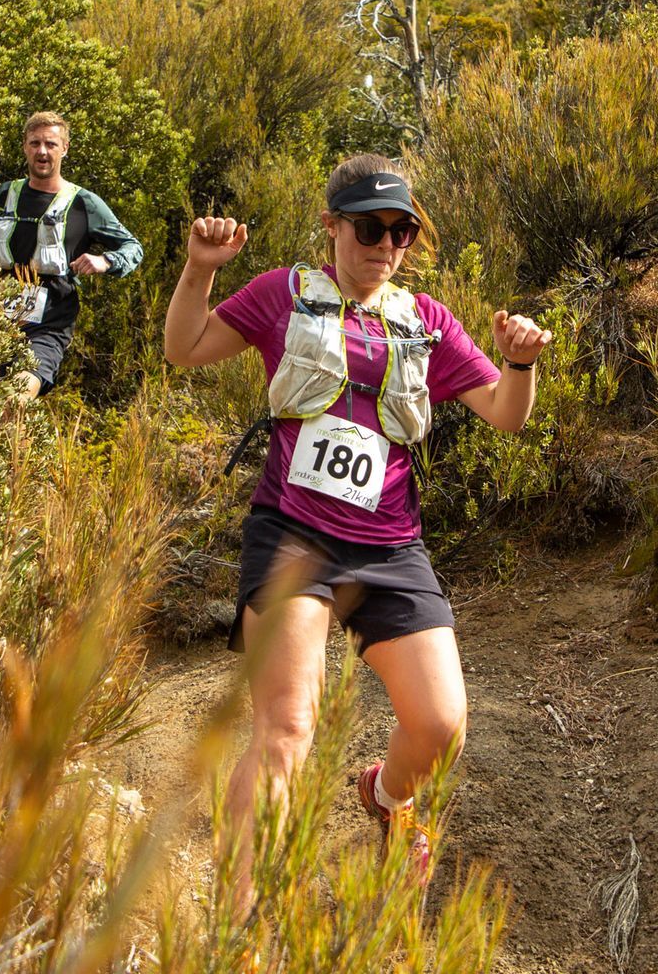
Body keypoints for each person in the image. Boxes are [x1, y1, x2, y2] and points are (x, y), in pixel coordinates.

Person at [163, 153, 550, 884]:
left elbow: (505, 416)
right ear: (332, 226)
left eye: (401, 232)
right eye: (370, 228)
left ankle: (387, 794)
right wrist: (200, 268)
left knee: (441, 725)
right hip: (293, 537)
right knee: (286, 730)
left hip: (389, 546)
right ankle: (238, 927)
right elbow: (182, 349)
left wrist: (520, 365)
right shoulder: (284, 294)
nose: (385, 247)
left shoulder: (425, 320)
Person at [0, 111, 143, 401]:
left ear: (64, 148)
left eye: (51, 144)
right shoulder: (4, 195)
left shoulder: (83, 203)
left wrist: (105, 261)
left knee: (16, 394)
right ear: (25, 146)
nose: (42, 151)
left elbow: (132, 247)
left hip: (49, 324)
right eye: (35, 143)